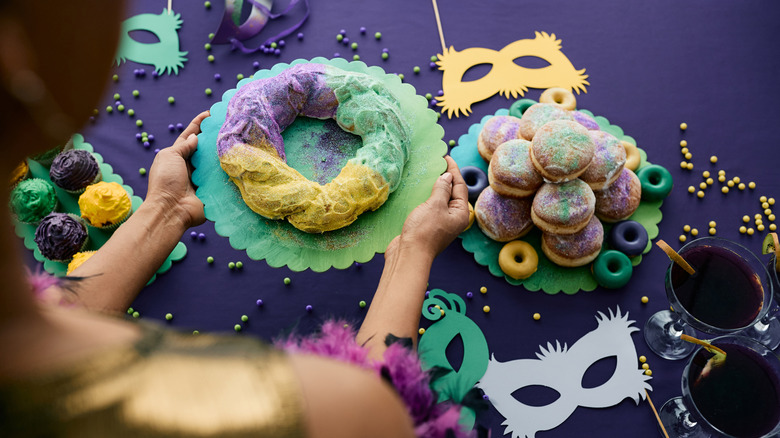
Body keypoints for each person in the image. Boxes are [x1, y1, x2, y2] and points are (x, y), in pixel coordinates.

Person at [0, 1, 471, 437]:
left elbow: (56, 322)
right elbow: (384, 408)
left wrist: (165, 209)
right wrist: (413, 249)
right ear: (18, 57)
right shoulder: (319, 407)